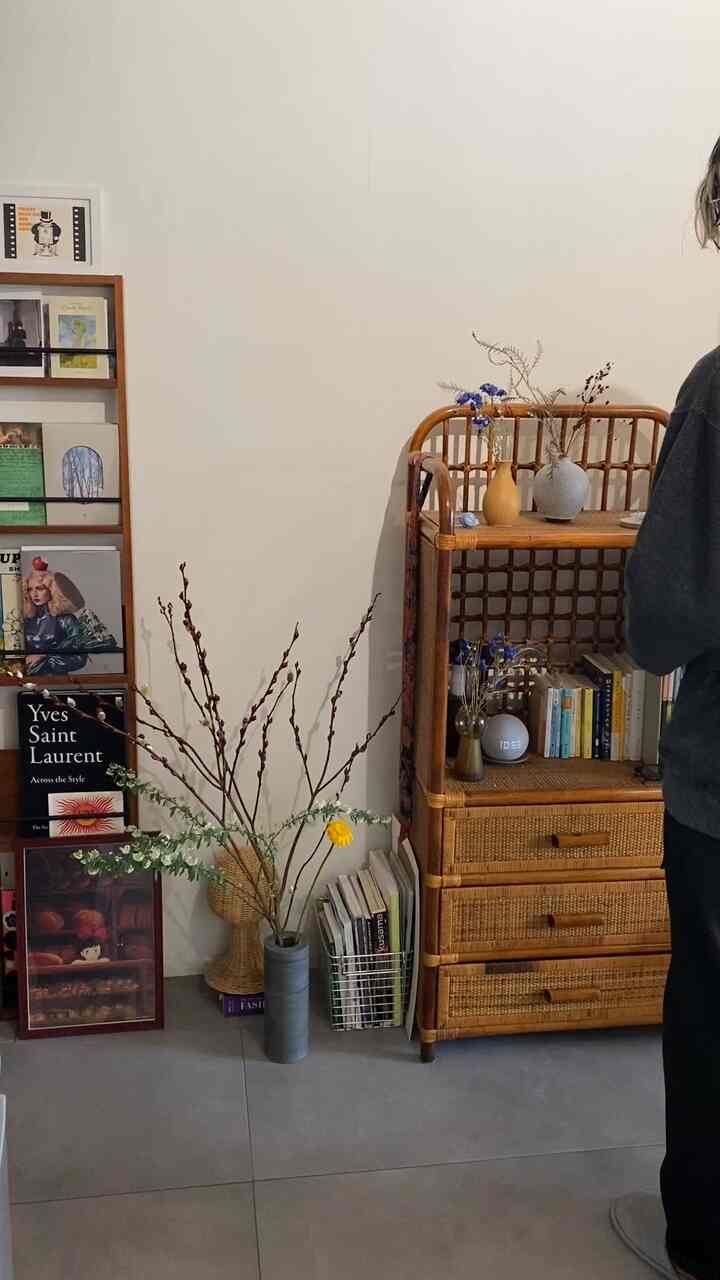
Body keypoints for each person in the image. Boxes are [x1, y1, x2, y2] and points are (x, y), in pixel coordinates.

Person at [611, 136, 720, 1280]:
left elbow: (662, 619)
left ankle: (700, 1236)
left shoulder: (716, 391)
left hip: (719, 791)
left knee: (708, 1015)